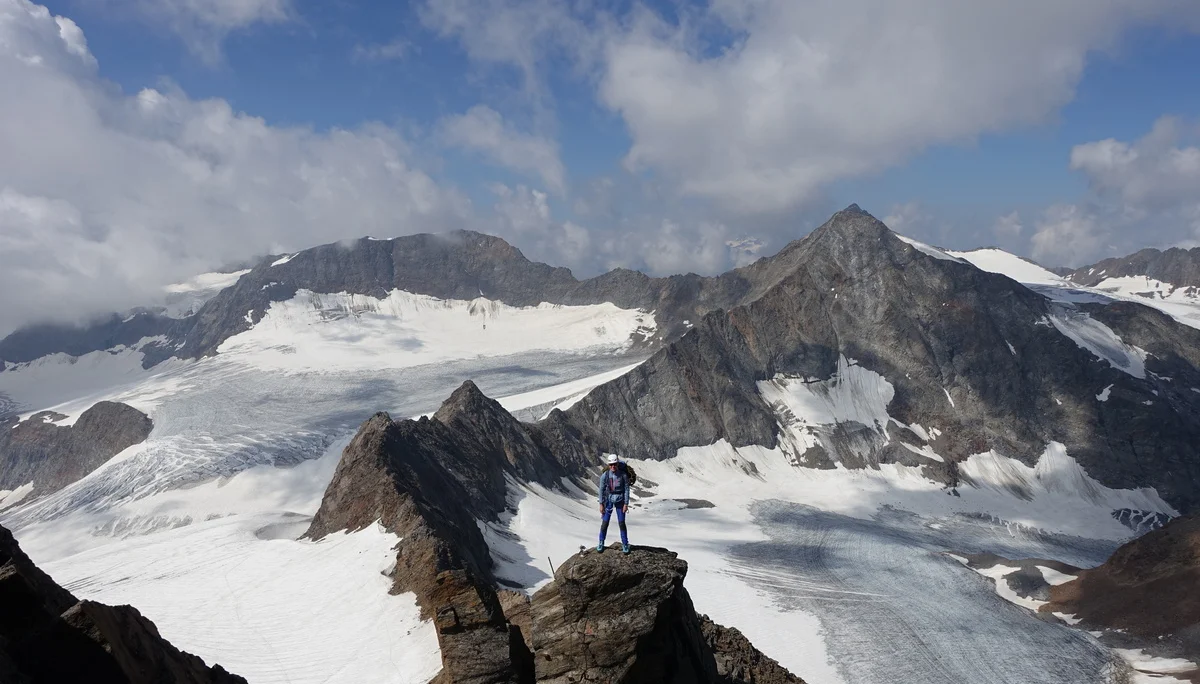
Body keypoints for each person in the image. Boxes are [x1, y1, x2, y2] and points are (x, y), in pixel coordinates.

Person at [596, 454, 631, 554]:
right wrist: (601, 504)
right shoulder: (605, 476)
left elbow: (626, 489)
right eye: (611, 465)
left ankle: (625, 543)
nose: (613, 467)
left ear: (617, 464)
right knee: (605, 523)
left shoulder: (623, 475)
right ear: (609, 465)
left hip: (620, 501)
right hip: (609, 501)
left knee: (621, 523)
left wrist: (626, 504)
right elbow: (601, 490)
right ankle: (601, 542)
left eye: (614, 464)